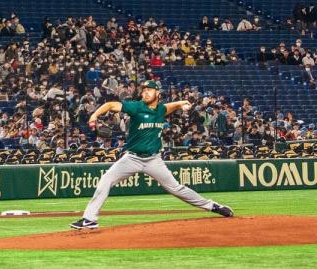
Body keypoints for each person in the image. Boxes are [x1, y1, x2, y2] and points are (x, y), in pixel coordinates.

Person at [70, 80, 234, 230]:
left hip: (153, 160)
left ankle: (213, 206)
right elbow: (111, 104)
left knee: (176, 189)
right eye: (144, 90)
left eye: (149, 90)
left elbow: (171, 106)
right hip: (132, 158)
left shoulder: (161, 109)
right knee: (106, 180)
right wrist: (94, 115)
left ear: (157, 93)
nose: (145, 93)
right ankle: (90, 219)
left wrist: (182, 103)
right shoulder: (137, 107)